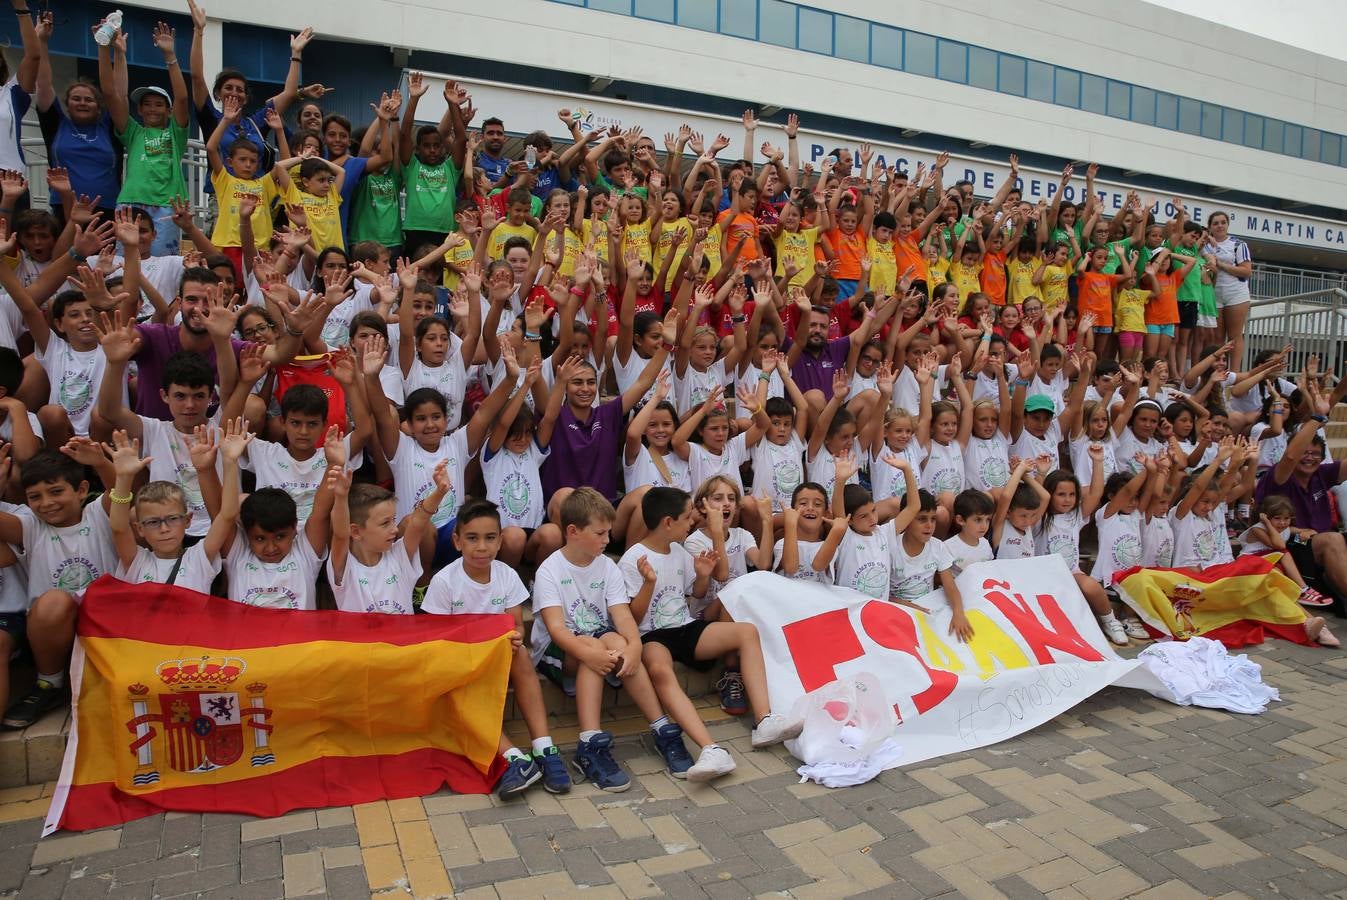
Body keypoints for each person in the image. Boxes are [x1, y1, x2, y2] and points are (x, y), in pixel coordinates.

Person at [424, 499, 572, 796]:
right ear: (456, 541)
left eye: (490, 538)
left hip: (498, 660)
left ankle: (544, 747)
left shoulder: (506, 574)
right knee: (453, 686)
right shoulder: (444, 581)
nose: (482, 547)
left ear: (501, 541)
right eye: (472, 538)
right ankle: (514, 757)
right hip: (462, 665)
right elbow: (437, 640)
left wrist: (516, 637)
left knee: (521, 656)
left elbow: (515, 625)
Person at [529, 488, 666, 791]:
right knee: (593, 646)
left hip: (595, 641)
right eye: (601, 533)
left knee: (617, 641)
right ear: (573, 532)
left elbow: (622, 615)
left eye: (609, 533)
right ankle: (589, 744)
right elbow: (556, 629)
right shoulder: (550, 569)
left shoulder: (606, 565)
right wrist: (590, 654)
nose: (608, 540)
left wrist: (634, 646)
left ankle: (661, 727)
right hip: (557, 652)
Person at [0, 446, 117, 729]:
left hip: (106, 626)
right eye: (34, 497)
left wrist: (101, 462)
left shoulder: (97, 515)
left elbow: (120, 491)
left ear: (81, 489)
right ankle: (48, 683)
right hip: (50, 631)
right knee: (54, 601)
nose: (46, 503)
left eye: (55, 491)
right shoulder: (31, 527)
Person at [103, 20, 191, 256]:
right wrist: (113, 51)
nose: (153, 109)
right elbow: (113, 96)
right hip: (131, 201)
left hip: (167, 207)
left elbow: (182, 99)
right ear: (139, 110)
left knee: (161, 265)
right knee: (124, 265)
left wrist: (170, 56)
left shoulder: (175, 133)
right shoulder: (134, 132)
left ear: (169, 111)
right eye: (147, 104)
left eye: (159, 104)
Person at [35, 12, 118, 223]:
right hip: (64, 207)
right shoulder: (56, 124)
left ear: (98, 107)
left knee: (102, 258)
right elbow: (44, 83)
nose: (82, 103)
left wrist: (105, 46)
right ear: (67, 104)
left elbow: (114, 90)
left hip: (106, 208)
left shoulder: (108, 126)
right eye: (76, 99)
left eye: (88, 100)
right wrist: (42, 42)